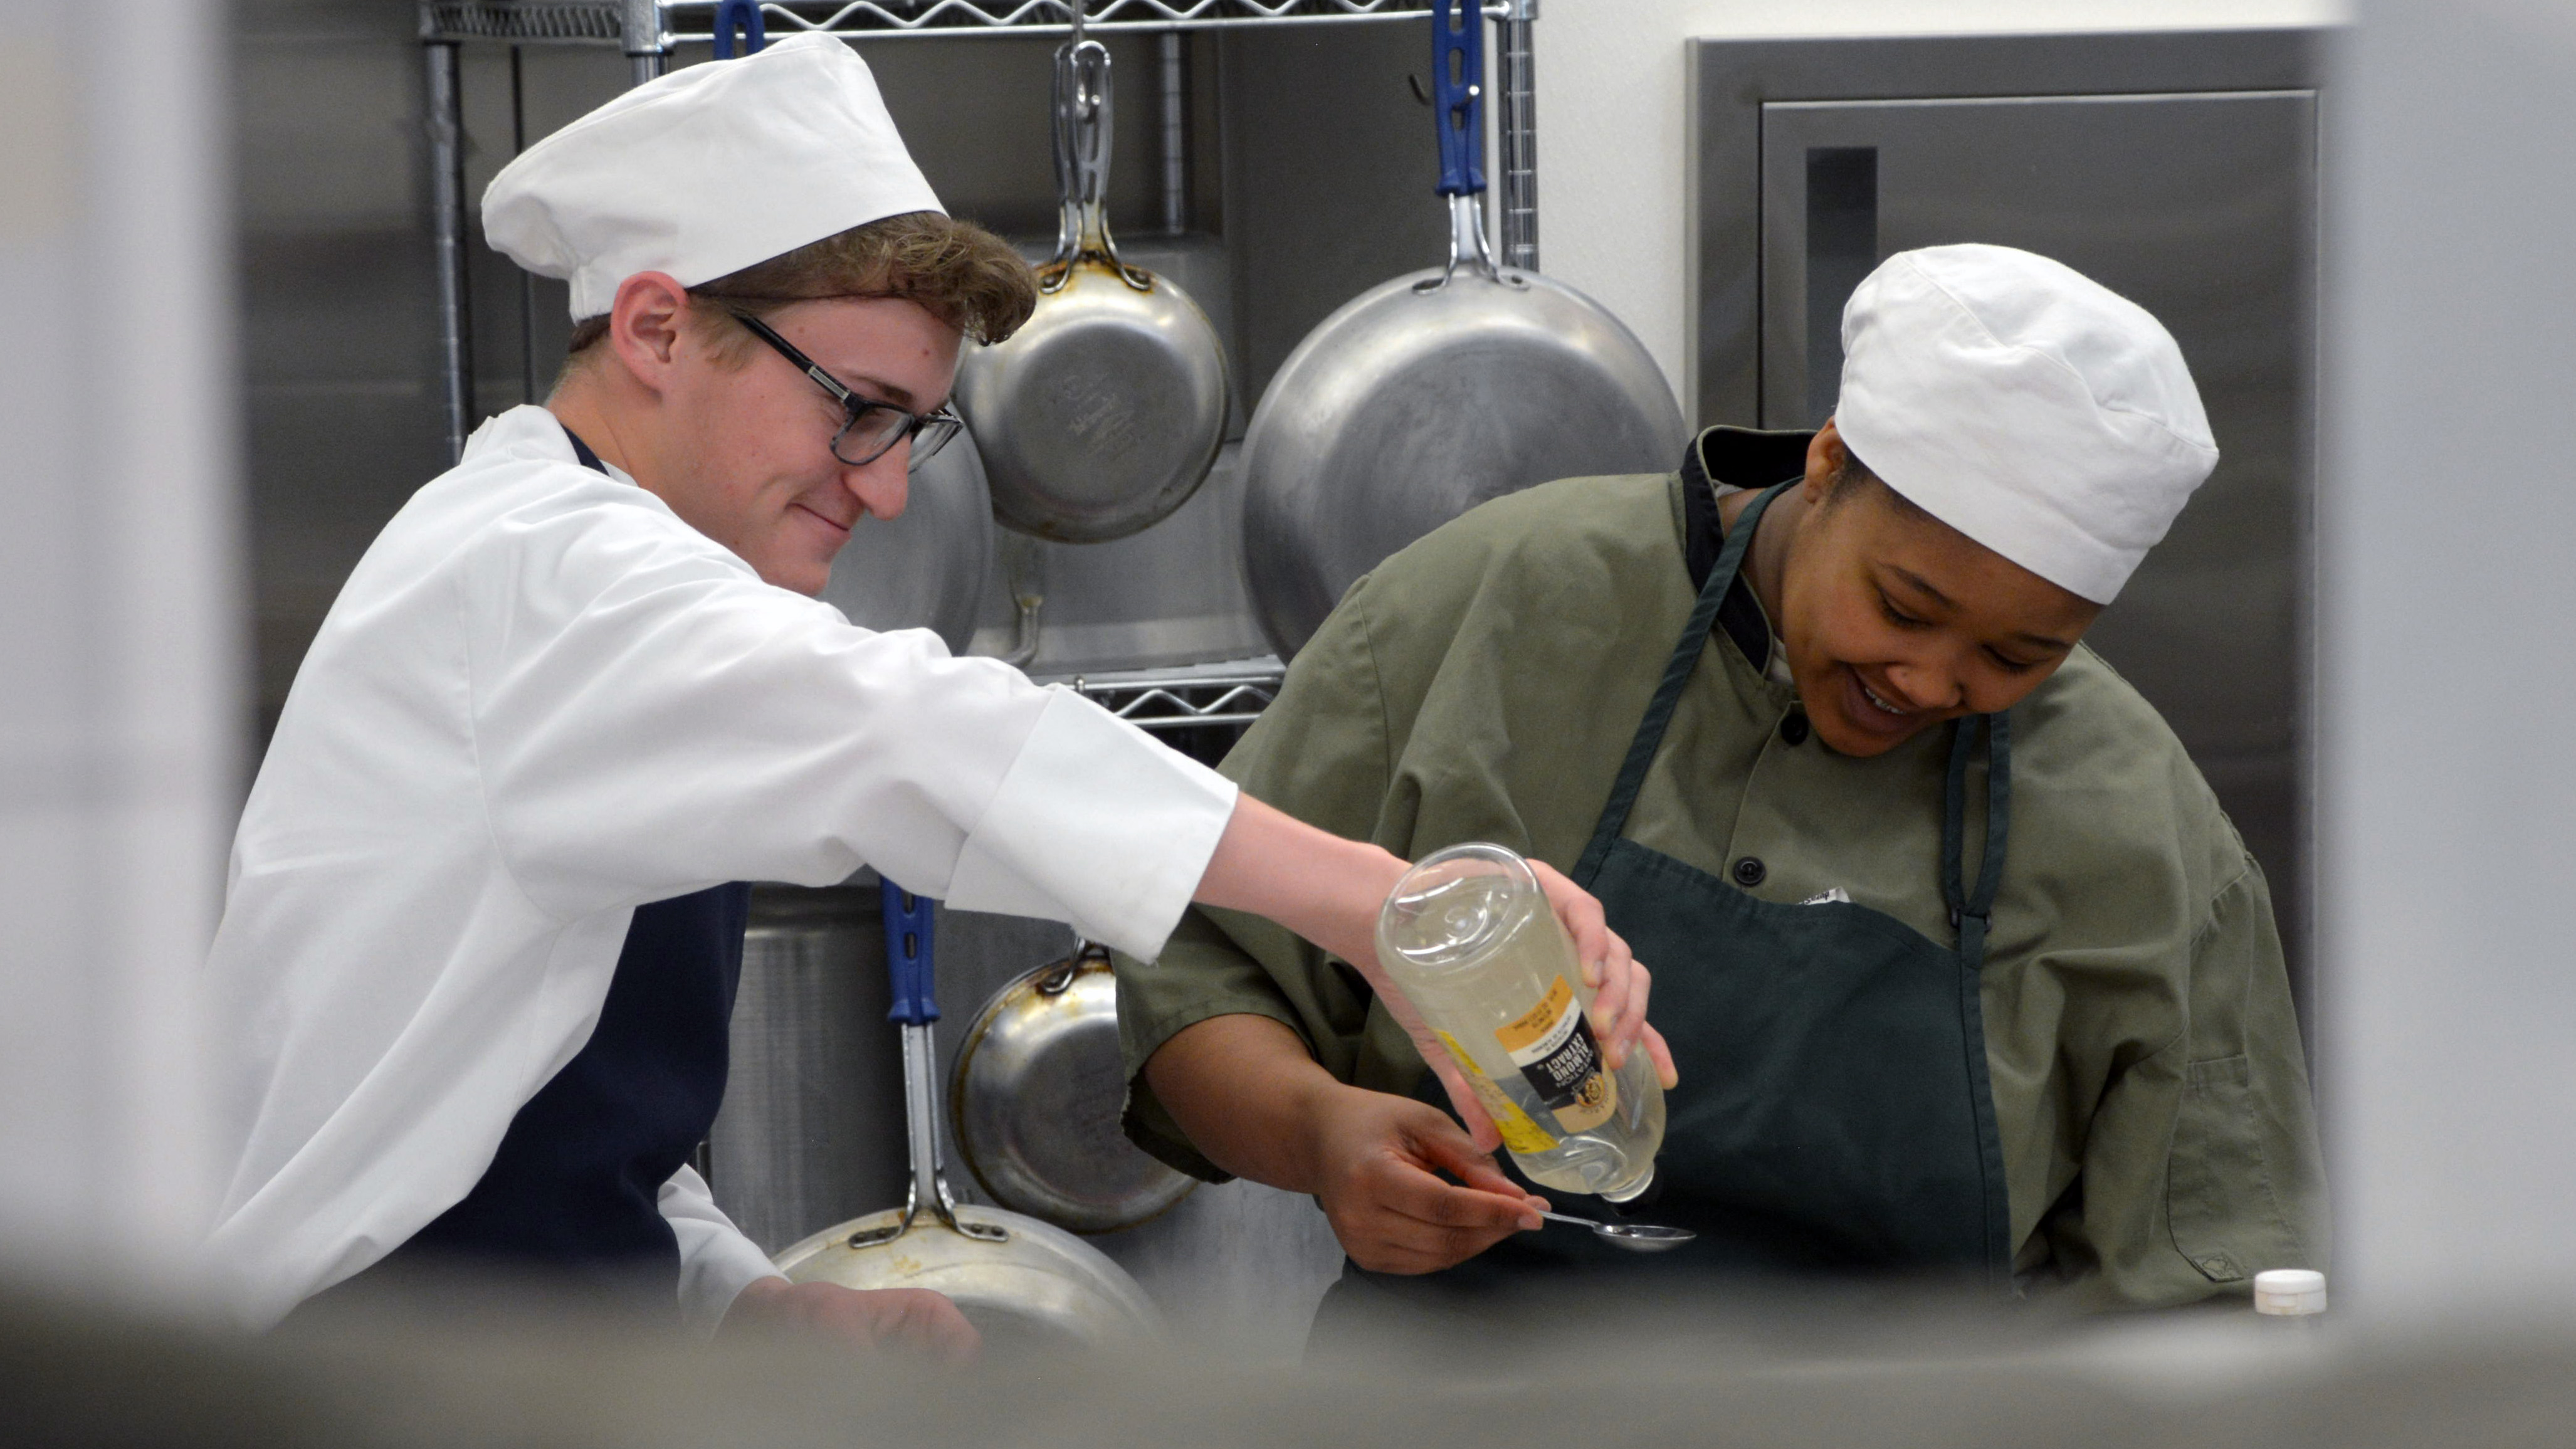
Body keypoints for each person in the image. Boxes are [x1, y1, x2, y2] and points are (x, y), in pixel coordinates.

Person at [199, 35, 1647, 1352]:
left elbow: (528, 1098)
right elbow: (919, 732)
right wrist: (1381, 908)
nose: (888, 487)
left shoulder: (592, 586)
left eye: (918, 430)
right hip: (368, 1370)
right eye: (858, 410)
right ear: (652, 329)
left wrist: (751, 1307)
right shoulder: (544, 574)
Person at [1118, 244, 2325, 1326]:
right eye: (1904, 606)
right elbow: (1201, 969)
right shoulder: (1491, 608)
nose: (1929, 678)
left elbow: (2212, 1274)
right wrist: (1320, 1137)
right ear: (1828, 461)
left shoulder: (2139, 824)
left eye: (2018, 656)